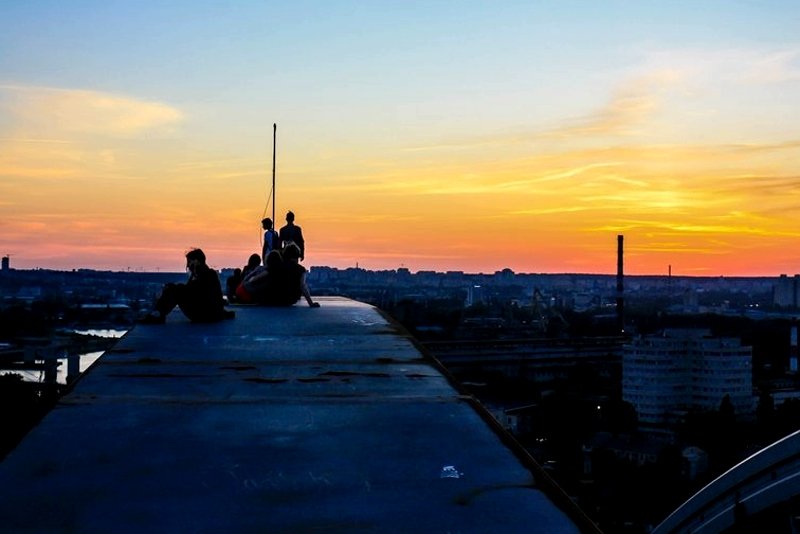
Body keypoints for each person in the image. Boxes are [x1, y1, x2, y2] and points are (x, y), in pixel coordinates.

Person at [140, 248, 234, 324]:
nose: (188, 265)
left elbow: (197, 293)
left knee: (175, 289)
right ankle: (158, 314)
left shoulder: (206, 274)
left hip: (206, 315)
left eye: (189, 262)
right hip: (209, 314)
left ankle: (158, 315)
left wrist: (174, 287)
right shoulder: (202, 274)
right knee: (175, 288)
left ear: (196, 261)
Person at [278, 243, 319, 307]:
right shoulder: (301, 269)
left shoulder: (278, 266)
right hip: (291, 298)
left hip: (277, 296)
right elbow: (302, 286)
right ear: (297, 256)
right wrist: (311, 303)